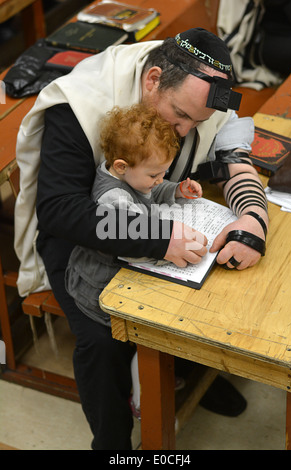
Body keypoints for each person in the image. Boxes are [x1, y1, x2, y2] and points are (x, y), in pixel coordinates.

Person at [14, 28, 269, 449]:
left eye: (196, 122)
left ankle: (186, 371)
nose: (186, 131)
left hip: (150, 214)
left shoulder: (201, 98)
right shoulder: (79, 103)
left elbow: (237, 165)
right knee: (102, 335)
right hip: (79, 241)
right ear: (153, 80)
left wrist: (252, 225)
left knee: (210, 283)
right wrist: (158, 239)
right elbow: (59, 212)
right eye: (179, 115)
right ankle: (112, 443)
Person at [65, 103, 204, 419]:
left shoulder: (133, 174)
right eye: (156, 174)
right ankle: (143, 402)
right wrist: (169, 227)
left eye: (164, 172)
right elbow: (133, 243)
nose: (160, 178)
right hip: (99, 287)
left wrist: (175, 191)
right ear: (120, 166)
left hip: (123, 270)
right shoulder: (113, 198)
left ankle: (161, 373)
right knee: (150, 339)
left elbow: (151, 193)